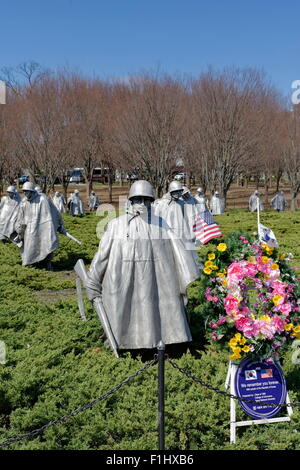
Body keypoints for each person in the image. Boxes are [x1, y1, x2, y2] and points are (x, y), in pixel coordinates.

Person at [85, 180, 200, 351]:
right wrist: (92, 281)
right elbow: (102, 256)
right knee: (129, 314)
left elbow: (180, 255)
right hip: (124, 283)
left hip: (158, 284)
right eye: (138, 199)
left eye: (146, 200)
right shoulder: (116, 225)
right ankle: (127, 344)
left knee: (155, 313)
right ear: (130, 200)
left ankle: (162, 345)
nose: (142, 204)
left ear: (151, 201)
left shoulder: (162, 224)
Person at [14, 181, 66, 268]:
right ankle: (31, 265)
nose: (25, 193)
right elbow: (20, 217)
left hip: (44, 228)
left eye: (27, 191)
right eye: (24, 191)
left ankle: (47, 263)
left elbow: (54, 212)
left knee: (46, 244)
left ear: (32, 191)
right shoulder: (23, 202)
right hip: (29, 229)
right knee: (30, 248)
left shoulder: (43, 199)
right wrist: (19, 230)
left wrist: (59, 224)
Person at [154, 180, 194, 245]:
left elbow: (186, 219)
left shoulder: (182, 203)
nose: (178, 193)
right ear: (171, 191)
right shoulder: (161, 204)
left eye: (179, 191)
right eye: (176, 191)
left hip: (179, 231)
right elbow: (156, 218)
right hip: (166, 232)